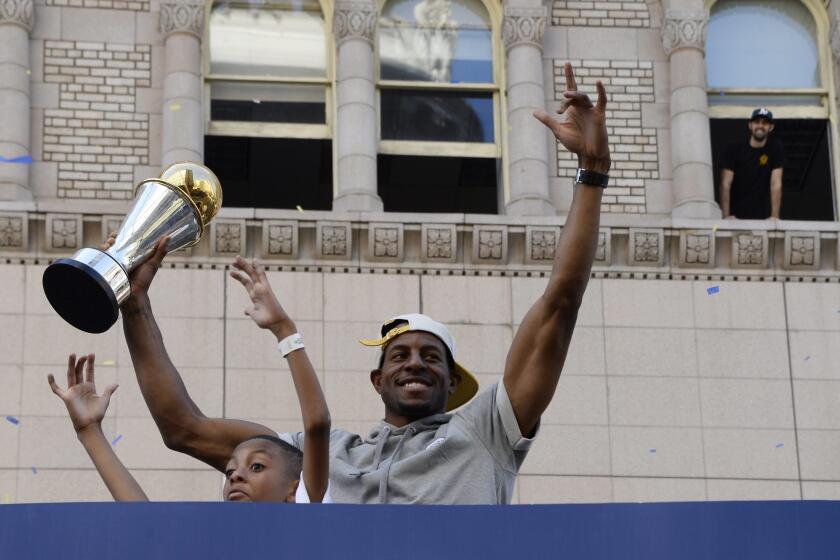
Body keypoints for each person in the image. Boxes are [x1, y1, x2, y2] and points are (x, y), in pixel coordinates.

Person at [119, 62, 610, 504]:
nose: (414, 362)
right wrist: (134, 302)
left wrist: (592, 173)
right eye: (398, 355)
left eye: (430, 356)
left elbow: (558, 307)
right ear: (378, 380)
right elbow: (184, 428)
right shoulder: (321, 453)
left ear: (455, 382)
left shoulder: (485, 431)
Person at [49, 345, 331, 502]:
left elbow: (317, 424)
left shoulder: (314, 528)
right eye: (230, 470)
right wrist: (89, 431)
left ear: (295, 490)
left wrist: (285, 332)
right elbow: (143, 523)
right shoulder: (210, 543)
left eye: (256, 466)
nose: (235, 476)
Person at [720, 107, 784, 220]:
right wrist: (726, 217)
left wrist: (775, 217)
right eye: (756, 122)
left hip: (763, 220)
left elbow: (776, 183)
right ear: (750, 125)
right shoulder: (733, 149)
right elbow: (725, 184)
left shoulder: (775, 149)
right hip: (736, 219)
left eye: (764, 123)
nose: (760, 125)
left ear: (771, 127)